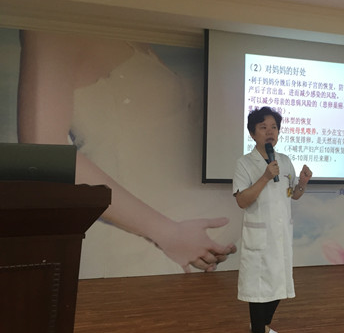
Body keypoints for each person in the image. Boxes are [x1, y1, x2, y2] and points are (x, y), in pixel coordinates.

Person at [17, 29, 236, 274]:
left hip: (183, 249)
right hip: (144, 253)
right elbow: (43, 154)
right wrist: (168, 233)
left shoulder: (126, 26)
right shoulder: (54, 26)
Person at [233, 106, 312, 333]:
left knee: (278, 284)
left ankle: (263, 326)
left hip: (280, 236)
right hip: (259, 235)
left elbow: (293, 195)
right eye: (263, 127)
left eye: (274, 127)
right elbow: (242, 201)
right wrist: (265, 177)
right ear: (252, 133)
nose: (270, 132)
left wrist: (303, 183)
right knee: (258, 288)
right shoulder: (245, 163)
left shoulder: (285, 161)